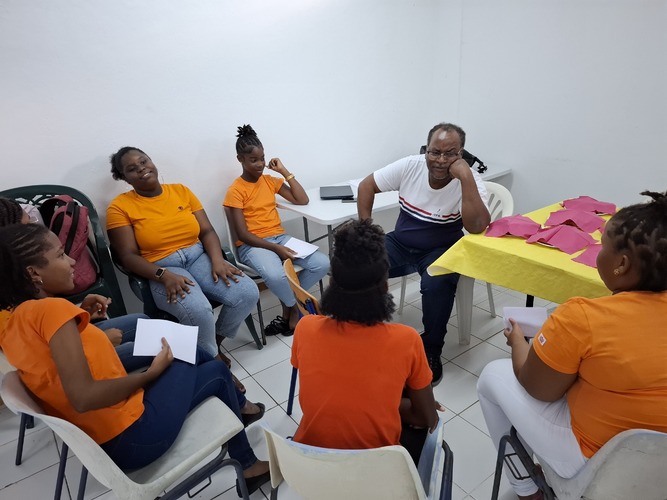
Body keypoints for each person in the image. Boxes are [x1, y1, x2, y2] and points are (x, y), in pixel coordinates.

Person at [0, 223, 270, 495]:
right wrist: (151, 374)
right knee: (206, 365)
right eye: (60, 255)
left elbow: (51, 360)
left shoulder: (12, 319)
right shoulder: (51, 310)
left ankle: (239, 407)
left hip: (103, 441)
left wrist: (79, 319)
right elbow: (83, 397)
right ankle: (247, 462)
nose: (71, 261)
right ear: (33, 273)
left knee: (182, 347)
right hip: (134, 438)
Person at [477, 190, 667, 500]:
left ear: (621, 264)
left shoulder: (582, 316)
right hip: (659, 475)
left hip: (598, 474)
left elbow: (538, 388)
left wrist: (517, 343)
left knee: (491, 376)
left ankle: (527, 490)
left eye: (602, 245)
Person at [291, 219, 441, 461]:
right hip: (376, 469)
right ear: (385, 286)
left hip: (311, 462)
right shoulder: (406, 340)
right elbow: (426, 418)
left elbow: (335, 393)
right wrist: (399, 401)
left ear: (332, 282)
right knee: (430, 435)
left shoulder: (305, 327)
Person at [106, 147, 259, 376]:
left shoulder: (181, 191)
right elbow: (127, 257)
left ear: (152, 161)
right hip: (162, 267)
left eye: (144, 161)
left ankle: (211, 346)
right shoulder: (119, 207)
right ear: (125, 178)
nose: (141, 169)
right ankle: (214, 364)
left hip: (198, 257)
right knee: (199, 310)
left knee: (247, 292)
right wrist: (163, 275)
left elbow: (206, 231)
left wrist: (217, 260)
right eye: (132, 169)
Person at [357, 123, 490, 385]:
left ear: (461, 154)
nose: (440, 160)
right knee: (361, 266)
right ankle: (365, 333)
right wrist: (366, 230)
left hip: (441, 248)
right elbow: (366, 186)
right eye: (434, 152)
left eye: (450, 154)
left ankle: (431, 349)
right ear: (425, 150)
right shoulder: (410, 165)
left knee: (436, 285)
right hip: (400, 242)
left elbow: (476, 227)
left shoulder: (470, 180)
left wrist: (465, 178)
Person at [0, 197, 150, 372]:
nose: (36, 227)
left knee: (143, 323)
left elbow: (48, 332)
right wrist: (102, 341)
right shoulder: (13, 310)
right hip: (74, 367)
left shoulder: (24, 288)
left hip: (72, 346)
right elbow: (45, 365)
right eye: (27, 225)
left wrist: (80, 317)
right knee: (158, 347)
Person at [224, 125, 330, 335]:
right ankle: (296, 308)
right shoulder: (235, 190)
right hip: (252, 245)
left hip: (280, 238)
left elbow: (302, 199)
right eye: (254, 160)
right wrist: (275, 248)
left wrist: (283, 171)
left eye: (262, 158)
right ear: (240, 159)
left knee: (322, 263)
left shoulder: (269, 181)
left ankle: (289, 309)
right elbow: (243, 235)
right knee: (275, 275)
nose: (260, 164)